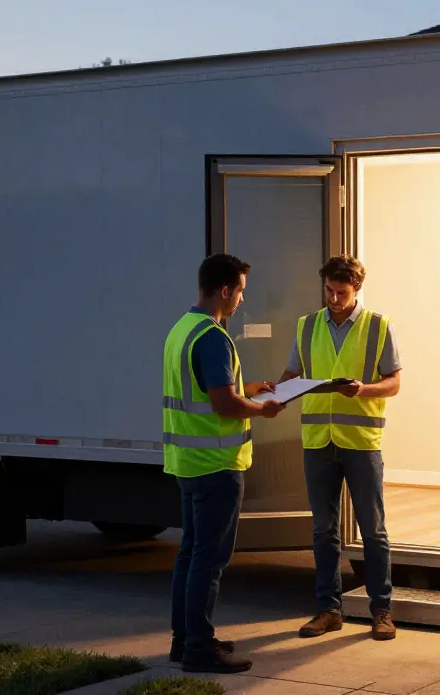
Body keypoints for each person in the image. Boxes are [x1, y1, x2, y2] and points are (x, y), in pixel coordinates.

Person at [163, 252, 285, 674]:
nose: (242, 300)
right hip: (216, 464)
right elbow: (223, 403)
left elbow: (208, 391)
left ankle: (184, 640)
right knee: (209, 559)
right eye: (240, 291)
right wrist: (263, 408)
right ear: (224, 289)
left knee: (191, 553)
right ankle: (200, 648)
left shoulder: (182, 329)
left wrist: (247, 388)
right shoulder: (213, 337)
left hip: (188, 463)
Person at [279, 255, 402, 641]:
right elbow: (292, 373)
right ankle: (328, 610)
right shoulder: (307, 325)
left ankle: (381, 611)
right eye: (329, 291)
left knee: (373, 531)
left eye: (341, 293)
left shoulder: (378, 326)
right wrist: (275, 392)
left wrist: (363, 390)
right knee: (323, 531)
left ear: (357, 289)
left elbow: (394, 382)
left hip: (361, 443)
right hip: (318, 441)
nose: (333, 299)